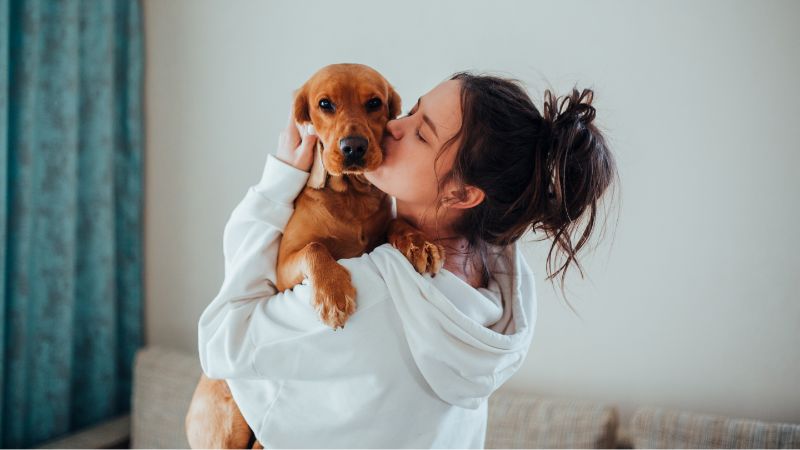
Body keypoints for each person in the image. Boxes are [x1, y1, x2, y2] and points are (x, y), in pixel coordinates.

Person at [197, 72, 617, 448]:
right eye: (412, 110)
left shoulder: (371, 292)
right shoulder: (503, 286)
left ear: (462, 195)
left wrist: (277, 185)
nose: (393, 127)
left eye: (421, 133)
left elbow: (221, 343)